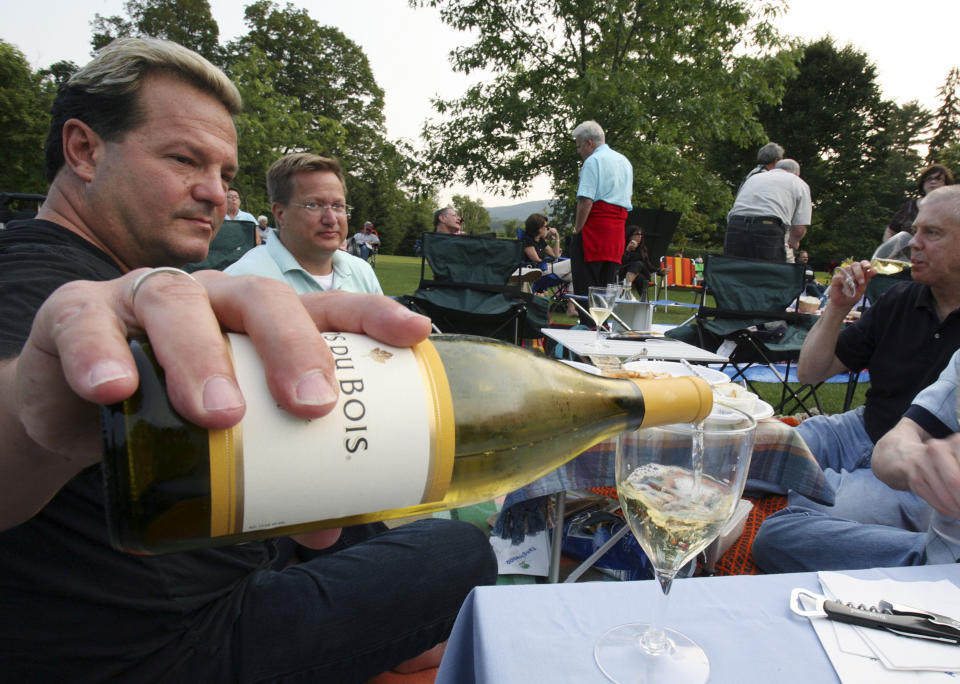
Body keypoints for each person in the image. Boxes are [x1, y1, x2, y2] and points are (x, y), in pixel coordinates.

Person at [0, 37, 496, 681]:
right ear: (85, 150)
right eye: (184, 160)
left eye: (227, 177)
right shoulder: (39, 280)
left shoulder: (109, 271)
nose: (215, 195)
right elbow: (24, 393)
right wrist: (35, 416)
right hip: (177, 646)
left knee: (357, 519)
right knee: (459, 551)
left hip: (234, 559)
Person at [751, 185, 960, 572]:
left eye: (932, 233)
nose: (913, 244)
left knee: (805, 514)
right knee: (742, 454)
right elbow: (812, 373)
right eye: (914, 231)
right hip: (857, 431)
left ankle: (926, 552)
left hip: (917, 476)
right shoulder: (901, 299)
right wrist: (837, 308)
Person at [753, 348, 960, 572]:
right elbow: (809, 373)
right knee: (743, 459)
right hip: (857, 431)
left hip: (937, 543)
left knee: (808, 502)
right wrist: (918, 461)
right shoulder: (898, 313)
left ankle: (921, 566)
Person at [226, 153, 381, 295]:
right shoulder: (243, 281)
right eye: (313, 205)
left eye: (337, 206)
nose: (331, 219)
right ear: (280, 214)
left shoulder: (361, 272)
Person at [570, 120, 634, 324]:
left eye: (579, 146)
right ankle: (601, 330)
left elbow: (586, 200)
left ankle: (588, 334)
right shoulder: (624, 161)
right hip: (616, 234)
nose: (579, 151)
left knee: (586, 291)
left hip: (594, 232)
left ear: (589, 142)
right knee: (605, 290)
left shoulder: (592, 162)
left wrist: (577, 229)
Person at [724, 158, 811, 262]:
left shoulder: (753, 178)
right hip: (768, 227)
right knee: (771, 271)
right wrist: (794, 241)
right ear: (796, 174)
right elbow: (799, 227)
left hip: (735, 224)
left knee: (734, 269)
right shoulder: (798, 183)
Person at [883, 164, 955, 241]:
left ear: (946, 184)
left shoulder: (953, 209)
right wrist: (890, 250)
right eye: (929, 179)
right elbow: (890, 230)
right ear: (923, 183)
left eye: (938, 179)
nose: (933, 181)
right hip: (908, 252)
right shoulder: (910, 207)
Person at [618, 225, 665, 300]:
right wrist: (628, 250)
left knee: (639, 264)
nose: (640, 236)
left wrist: (660, 271)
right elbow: (621, 262)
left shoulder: (642, 248)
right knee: (640, 278)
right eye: (637, 234)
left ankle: (623, 290)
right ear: (630, 235)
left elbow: (649, 266)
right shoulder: (622, 245)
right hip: (624, 274)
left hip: (641, 272)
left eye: (641, 234)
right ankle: (645, 302)